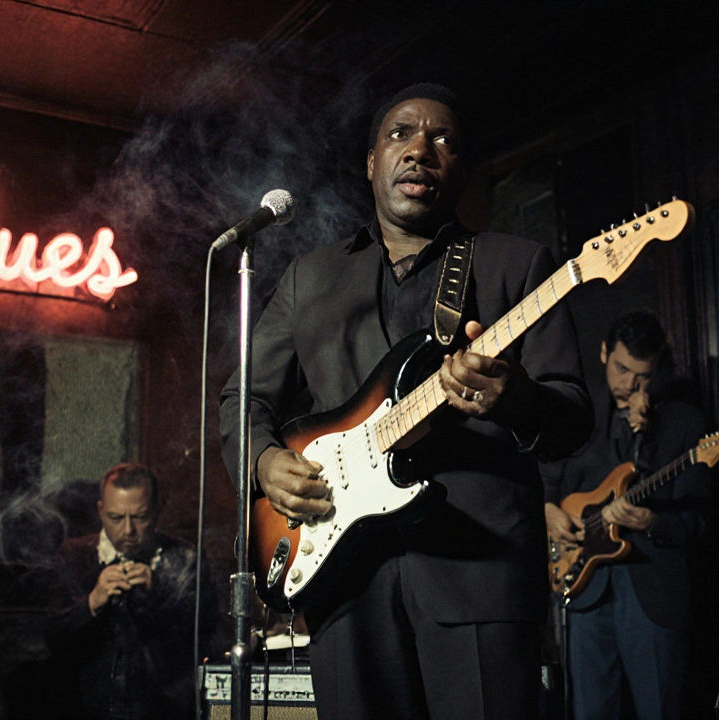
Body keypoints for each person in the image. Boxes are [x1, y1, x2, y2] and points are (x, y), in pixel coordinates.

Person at [219, 83, 592, 720]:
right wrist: (262, 461)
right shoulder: (309, 276)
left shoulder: (518, 265)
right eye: (400, 135)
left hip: (479, 575)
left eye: (442, 139)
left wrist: (515, 398)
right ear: (371, 163)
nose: (420, 149)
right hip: (341, 579)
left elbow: (573, 416)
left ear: (462, 170)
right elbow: (242, 398)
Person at [541, 312, 710, 720]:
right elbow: (546, 478)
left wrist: (650, 521)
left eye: (642, 375)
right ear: (602, 353)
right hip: (583, 587)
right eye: (621, 369)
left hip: (653, 594)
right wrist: (547, 511)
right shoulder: (577, 415)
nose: (629, 384)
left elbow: (702, 521)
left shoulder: (686, 425)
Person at [44, 462, 214, 720]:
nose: (127, 530)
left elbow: (203, 638)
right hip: (85, 710)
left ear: (156, 512)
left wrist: (159, 592)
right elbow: (52, 638)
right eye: (116, 518)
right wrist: (92, 602)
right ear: (101, 511)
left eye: (139, 517)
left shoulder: (185, 557)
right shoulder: (74, 555)